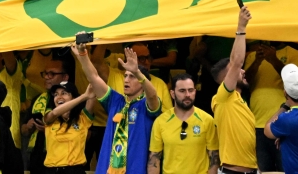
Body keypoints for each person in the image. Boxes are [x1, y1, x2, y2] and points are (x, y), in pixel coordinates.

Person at [74, 40, 162, 174]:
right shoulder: (115, 101)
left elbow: (152, 95)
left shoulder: (147, 105)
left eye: (132, 77)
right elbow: (94, 77)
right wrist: (83, 55)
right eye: (125, 76)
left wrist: (137, 72)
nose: (126, 80)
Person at [244, 40, 298, 171]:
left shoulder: (295, 54)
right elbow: (245, 83)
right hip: (257, 123)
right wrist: (257, 61)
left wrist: (274, 60)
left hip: (286, 122)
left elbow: (296, 83)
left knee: (287, 169)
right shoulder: (252, 56)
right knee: (263, 169)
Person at [210, 5, 258, 174]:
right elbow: (236, 61)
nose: (243, 70)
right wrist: (241, 27)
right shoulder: (222, 98)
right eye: (237, 71)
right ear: (227, 77)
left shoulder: (240, 101)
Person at [148, 74, 219, 174]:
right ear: (172, 94)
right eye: (182, 91)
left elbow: (214, 159)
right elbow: (154, 160)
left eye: (191, 90)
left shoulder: (207, 120)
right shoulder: (161, 121)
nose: (187, 95)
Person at [23, 57, 69, 171]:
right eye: (45, 73)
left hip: (62, 159)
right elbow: (23, 129)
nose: (47, 77)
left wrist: (50, 130)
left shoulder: (72, 101)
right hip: (37, 158)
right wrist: (28, 127)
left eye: (52, 74)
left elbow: (84, 133)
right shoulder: (37, 99)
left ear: (65, 77)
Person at [40, 81, 96, 174]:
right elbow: (55, 113)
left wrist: (91, 87)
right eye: (56, 94)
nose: (59, 97)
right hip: (52, 171)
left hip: (75, 170)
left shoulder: (82, 118)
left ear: (73, 97)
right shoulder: (49, 118)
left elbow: (92, 93)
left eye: (64, 93)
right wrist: (83, 97)